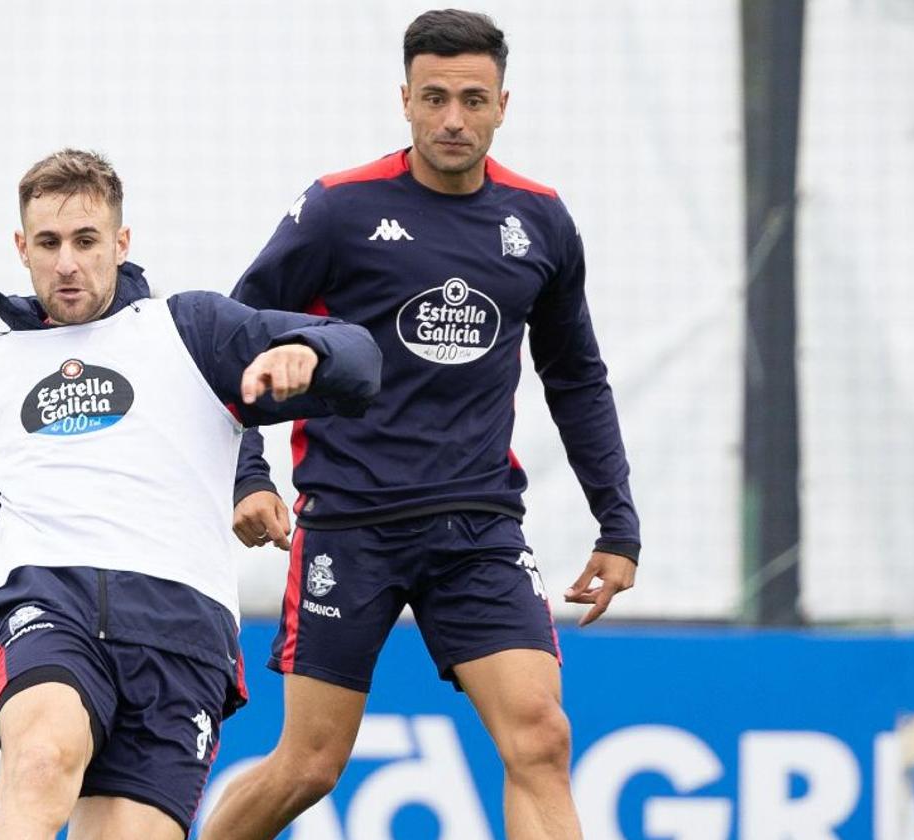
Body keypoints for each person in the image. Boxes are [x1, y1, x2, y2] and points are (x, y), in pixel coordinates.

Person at [0, 149, 382, 840]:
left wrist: (313, 355)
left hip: (181, 632)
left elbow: (361, 355)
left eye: (85, 241)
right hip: (49, 604)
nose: (67, 263)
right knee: (43, 758)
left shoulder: (193, 329)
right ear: (21, 248)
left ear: (121, 242)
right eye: (48, 243)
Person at [201, 10, 640, 840]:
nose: (452, 119)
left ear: (503, 105)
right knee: (309, 767)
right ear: (403, 99)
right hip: (350, 524)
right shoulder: (338, 209)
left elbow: (576, 376)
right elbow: (232, 341)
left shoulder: (540, 220)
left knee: (541, 738)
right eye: (434, 98)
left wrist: (617, 523)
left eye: (473, 100)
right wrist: (249, 475)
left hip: (477, 526)